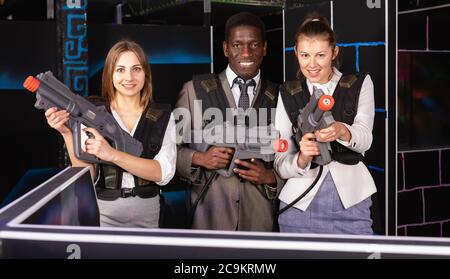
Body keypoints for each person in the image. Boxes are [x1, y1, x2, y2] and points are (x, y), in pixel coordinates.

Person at [45, 40, 176, 228]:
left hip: (148, 211)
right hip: (104, 211)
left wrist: (112, 154)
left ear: (145, 73)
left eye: (136, 69)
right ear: (110, 74)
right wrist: (67, 133)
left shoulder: (163, 116)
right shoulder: (93, 113)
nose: (129, 77)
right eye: (120, 70)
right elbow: (87, 176)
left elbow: (162, 172)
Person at [175, 12, 283, 231]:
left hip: (259, 222)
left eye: (254, 45)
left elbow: (294, 156)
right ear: (225, 48)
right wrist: (199, 158)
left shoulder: (280, 96)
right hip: (209, 219)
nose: (245, 52)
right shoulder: (193, 91)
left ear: (264, 48)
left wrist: (271, 177)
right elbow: (168, 152)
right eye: (237, 44)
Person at [274, 14, 377, 234]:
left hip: (351, 201)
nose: (312, 64)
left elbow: (365, 139)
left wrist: (343, 131)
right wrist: (302, 158)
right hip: (299, 205)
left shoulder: (359, 84)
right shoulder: (287, 93)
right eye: (305, 55)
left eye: (320, 55)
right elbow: (280, 162)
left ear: (334, 52)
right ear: (296, 53)